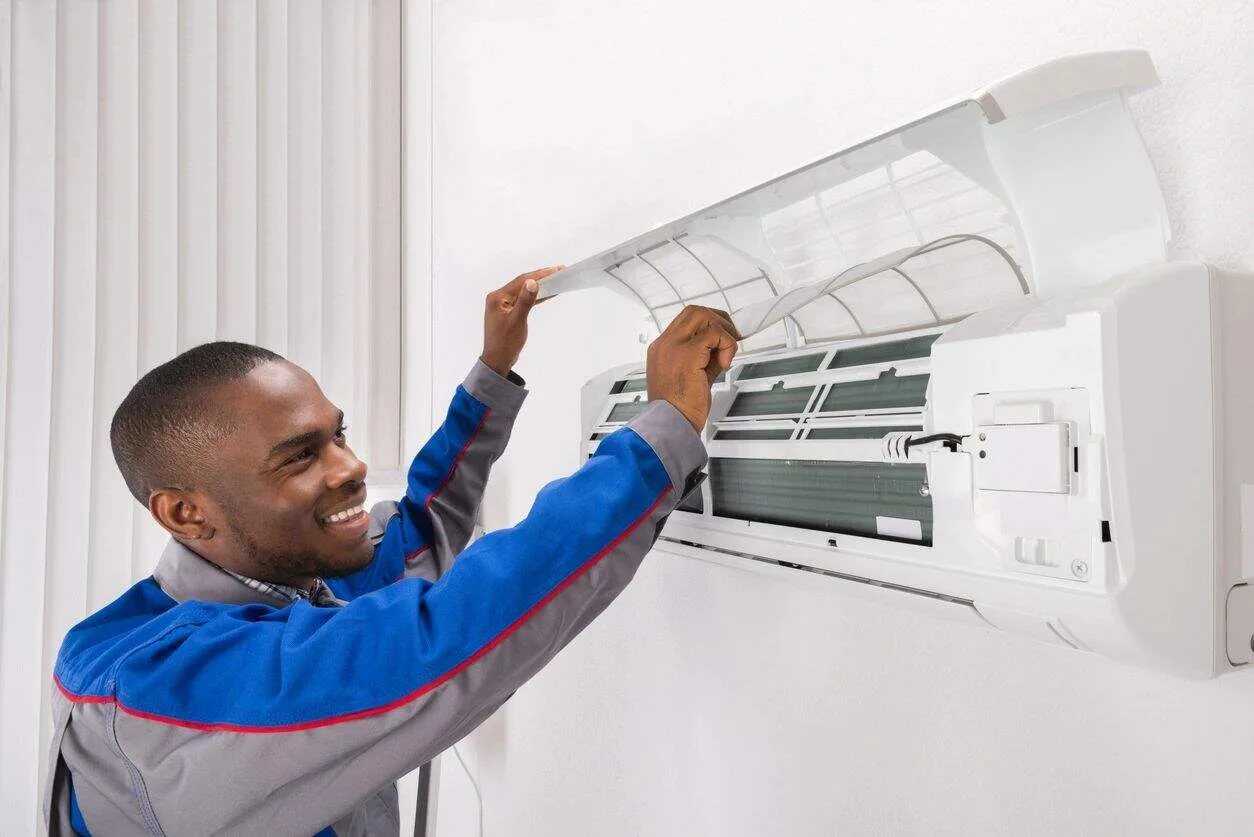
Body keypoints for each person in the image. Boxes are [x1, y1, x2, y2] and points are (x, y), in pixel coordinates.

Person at [43, 267, 740, 836]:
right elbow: (448, 633)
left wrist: (493, 371)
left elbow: (419, 527)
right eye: (300, 457)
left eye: (338, 433)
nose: (350, 465)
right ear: (186, 511)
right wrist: (663, 432)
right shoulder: (153, 688)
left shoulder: (296, 579)